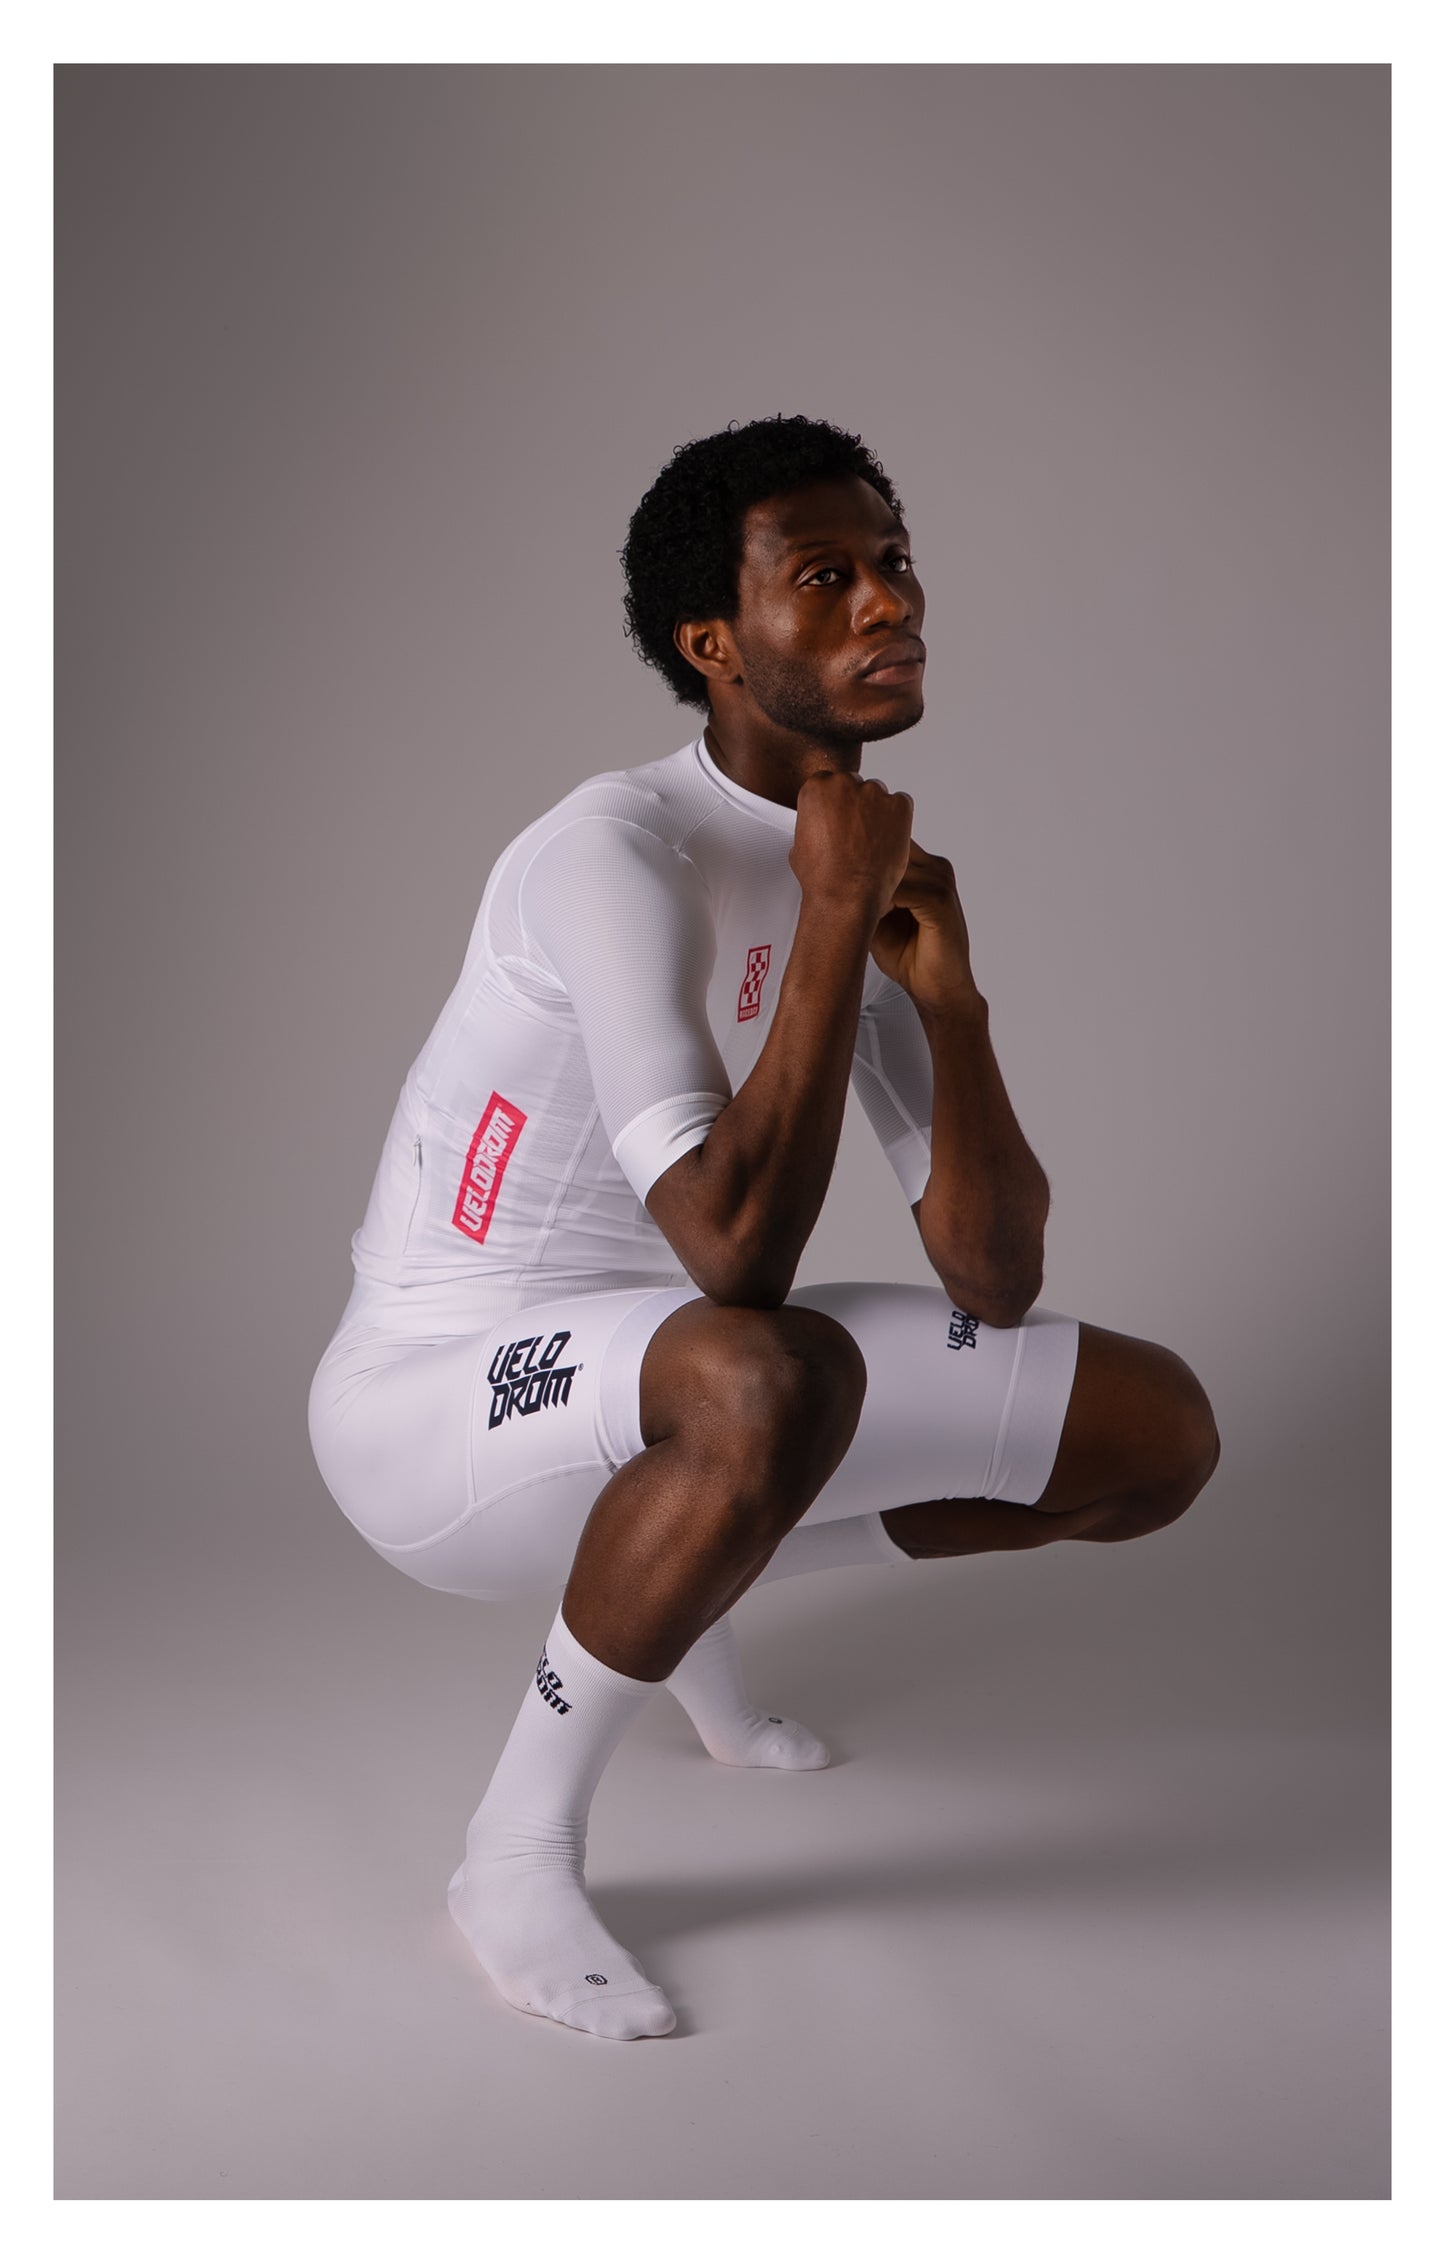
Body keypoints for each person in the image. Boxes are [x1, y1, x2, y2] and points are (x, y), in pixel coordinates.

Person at [307, 414, 1220, 2042]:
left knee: (1154, 1440)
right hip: (431, 1408)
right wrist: (827, 912)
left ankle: (684, 1579)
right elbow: (735, 1258)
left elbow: (992, 1276)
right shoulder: (610, 854)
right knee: (762, 1370)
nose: (888, 601)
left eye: (893, 562)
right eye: (824, 576)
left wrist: (948, 1003)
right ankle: (512, 1856)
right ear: (712, 645)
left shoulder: (863, 868)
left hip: (655, 1371)